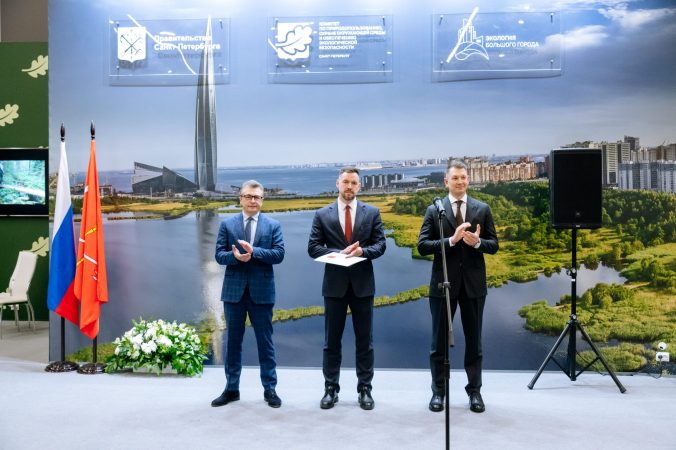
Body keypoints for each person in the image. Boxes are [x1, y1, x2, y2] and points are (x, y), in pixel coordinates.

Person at [417, 161, 499, 414]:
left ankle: (475, 392)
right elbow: (422, 246)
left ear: (468, 180)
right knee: (438, 343)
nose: (460, 181)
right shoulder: (434, 210)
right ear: (446, 182)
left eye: (463, 177)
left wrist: (477, 243)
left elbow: (494, 245)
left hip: (474, 286)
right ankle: (438, 392)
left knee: (475, 343)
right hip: (443, 286)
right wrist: (451, 241)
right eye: (455, 178)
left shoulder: (482, 209)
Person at [308, 167, 386, 410]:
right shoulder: (322, 214)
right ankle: (330, 389)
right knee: (331, 342)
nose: (349, 186)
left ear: (359, 186)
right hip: (334, 287)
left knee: (365, 342)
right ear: (337, 184)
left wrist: (362, 252)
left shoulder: (372, 212)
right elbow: (313, 248)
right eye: (345, 182)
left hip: (363, 286)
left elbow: (381, 245)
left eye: (354, 182)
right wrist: (339, 254)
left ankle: (365, 390)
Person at [211, 180, 285, 408]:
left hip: (262, 292)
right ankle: (231, 389)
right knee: (233, 343)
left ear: (262, 200)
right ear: (240, 198)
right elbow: (219, 255)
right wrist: (235, 257)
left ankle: (270, 389)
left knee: (265, 343)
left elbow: (279, 254)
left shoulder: (273, 225)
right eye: (249, 196)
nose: (253, 200)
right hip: (233, 293)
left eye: (257, 197)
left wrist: (255, 252)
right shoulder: (227, 224)